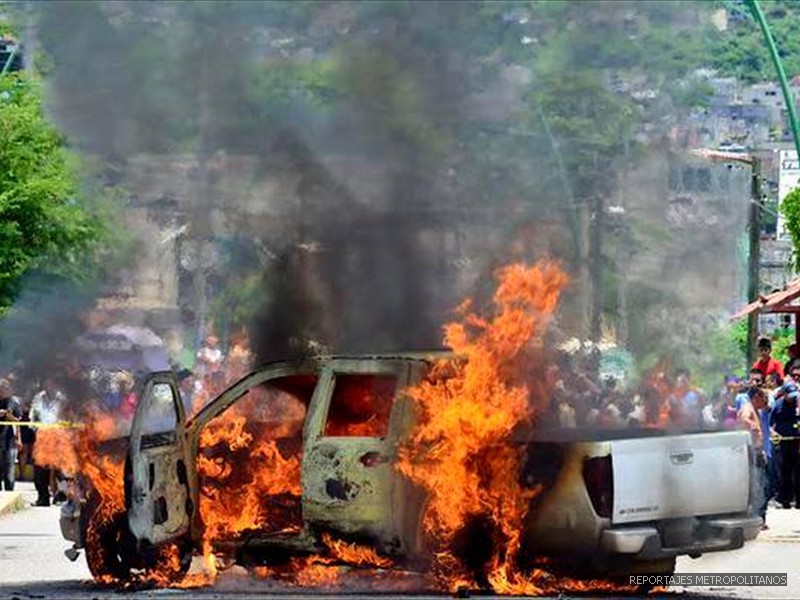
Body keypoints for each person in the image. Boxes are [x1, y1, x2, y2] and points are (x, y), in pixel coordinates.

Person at [29, 378, 64, 506]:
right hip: (42, 437)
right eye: (47, 382)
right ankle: (43, 498)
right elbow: (32, 416)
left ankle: (61, 497)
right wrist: (35, 427)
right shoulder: (38, 398)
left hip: (59, 437)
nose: (49, 385)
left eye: (52, 382)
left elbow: (68, 415)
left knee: (60, 469)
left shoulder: (63, 399)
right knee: (40, 469)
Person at [769, 380, 800, 509]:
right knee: (784, 470)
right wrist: (774, 433)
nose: (792, 399)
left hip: (797, 441)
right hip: (783, 442)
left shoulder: (798, 405)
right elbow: (770, 424)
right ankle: (785, 499)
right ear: (784, 394)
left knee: (798, 471)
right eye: (790, 395)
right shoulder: (778, 406)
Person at [0, 378, 21, 491]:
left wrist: (9, 416)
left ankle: (9, 492)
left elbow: (18, 422)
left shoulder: (13, 401)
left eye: (3, 388)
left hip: (9, 441)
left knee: (9, 469)